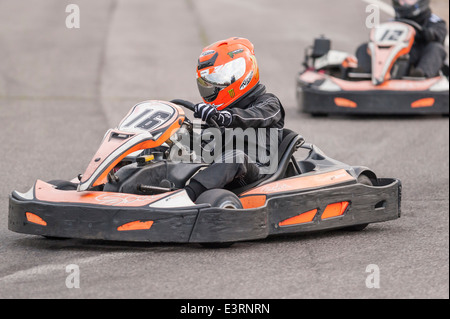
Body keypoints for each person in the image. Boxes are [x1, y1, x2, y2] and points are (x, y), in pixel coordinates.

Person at [184, 37, 285, 202]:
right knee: (175, 138)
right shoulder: (222, 112)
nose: (212, 86)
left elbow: (250, 116)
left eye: (218, 78)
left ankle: (185, 197)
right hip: (223, 163)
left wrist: (223, 116)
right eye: (208, 80)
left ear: (242, 72)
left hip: (255, 173)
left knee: (234, 156)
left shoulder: (269, 103)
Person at [356, 0, 447, 78]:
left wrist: (426, 34)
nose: (404, 2)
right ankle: (365, 74)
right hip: (394, 55)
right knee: (364, 48)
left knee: (436, 48)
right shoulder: (391, 23)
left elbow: (439, 36)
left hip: (419, 57)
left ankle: (421, 76)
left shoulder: (434, 21)